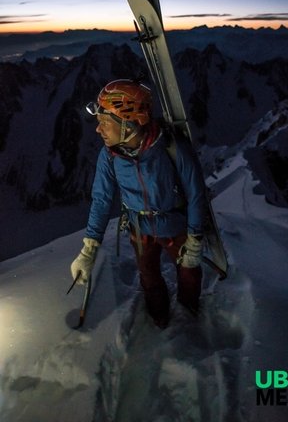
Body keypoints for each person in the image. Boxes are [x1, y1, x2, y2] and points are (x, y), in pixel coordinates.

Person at [70, 79, 207, 328]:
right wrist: (88, 249)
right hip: (140, 227)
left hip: (176, 225)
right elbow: (101, 199)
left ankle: (188, 313)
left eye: (104, 123)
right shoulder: (109, 156)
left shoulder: (171, 147)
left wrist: (195, 239)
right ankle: (160, 318)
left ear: (128, 124)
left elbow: (196, 192)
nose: (98, 130)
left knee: (189, 272)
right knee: (149, 276)